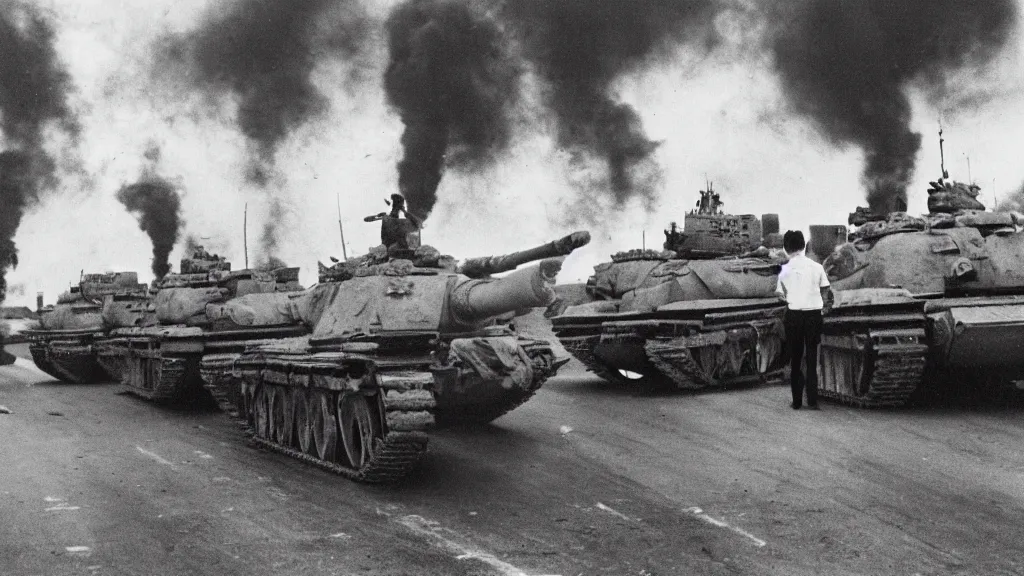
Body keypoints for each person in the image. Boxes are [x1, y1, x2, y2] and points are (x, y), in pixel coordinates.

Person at [775, 230, 832, 410]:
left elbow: (780, 296)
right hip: (814, 315)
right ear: (803, 246)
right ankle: (813, 401)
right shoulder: (817, 267)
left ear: (786, 248)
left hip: (794, 317)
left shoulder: (785, 270)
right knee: (812, 357)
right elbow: (825, 291)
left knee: (796, 359)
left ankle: (797, 402)